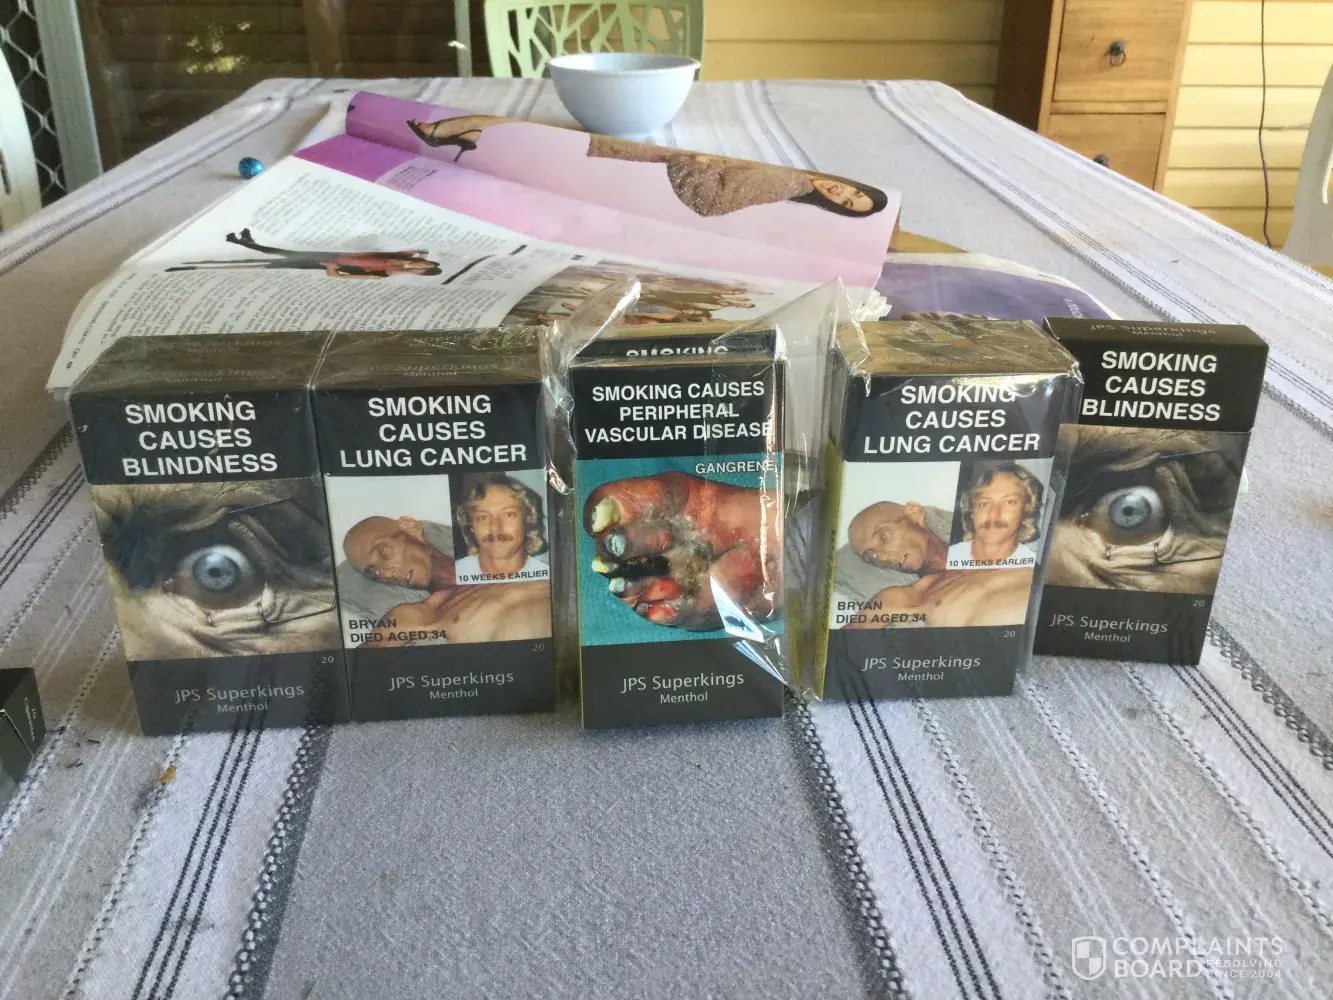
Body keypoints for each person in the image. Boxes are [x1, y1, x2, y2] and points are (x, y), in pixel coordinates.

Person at [401, 114, 889, 218]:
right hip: (654, 143)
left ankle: (457, 134)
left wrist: (692, 162)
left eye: (846, 204)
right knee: (545, 133)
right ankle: (462, 134)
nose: (842, 193)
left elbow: (710, 203)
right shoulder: (800, 170)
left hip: (648, 155)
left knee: (548, 139)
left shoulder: (786, 186)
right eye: (853, 191)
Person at [342, 515, 551, 644]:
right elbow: (364, 663)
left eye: (384, 551)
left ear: (410, 528)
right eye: (374, 573)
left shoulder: (508, 555)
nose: (387, 573)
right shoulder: (423, 614)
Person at [167, 229, 443, 279]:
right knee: (284, 252)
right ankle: (245, 243)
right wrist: (417, 257)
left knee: (267, 265)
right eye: (421, 263)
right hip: (333, 252)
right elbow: (422, 248)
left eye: (420, 269)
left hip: (324, 262)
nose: (415, 265)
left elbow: (341, 277)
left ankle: (197, 267)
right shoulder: (399, 256)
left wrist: (330, 266)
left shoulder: (385, 273)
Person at [453, 475, 549, 584]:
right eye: (483, 517)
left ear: (528, 519)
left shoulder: (548, 579)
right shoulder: (453, 575)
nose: (494, 528)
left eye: (509, 514)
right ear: (471, 526)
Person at [947, 464, 1043, 571]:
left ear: (1027, 508)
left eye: (1009, 502)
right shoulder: (946, 558)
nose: (993, 515)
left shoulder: (1034, 569)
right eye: (984, 504)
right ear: (972, 511)